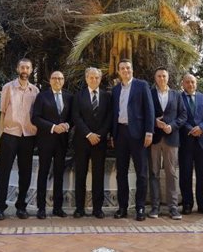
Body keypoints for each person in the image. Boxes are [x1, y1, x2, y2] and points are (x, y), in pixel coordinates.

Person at [0, 58, 39, 221]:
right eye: (22, 67)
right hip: (10, 134)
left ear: (31, 70)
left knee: (25, 173)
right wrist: (0, 136)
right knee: (4, 172)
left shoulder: (35, 91)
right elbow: (2, 112)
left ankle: (21, 206)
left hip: (28, 136)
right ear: (17, 69)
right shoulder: (8, 88)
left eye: (28, 67)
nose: (25, 70)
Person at [111, 59, 155, 221]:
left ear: (132, 69)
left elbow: (149, 110)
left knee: (141, 173)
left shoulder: (142, 85)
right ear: (119, 71)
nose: (125, 71)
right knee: (121, 173)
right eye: (122, 68)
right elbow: (114, 113)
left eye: (128, 68)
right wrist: (112, 134)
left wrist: (149, 132)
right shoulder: (115, 90)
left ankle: (140, 207)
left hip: (139, 135)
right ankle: (122, 207)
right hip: (121, 133)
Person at [31, 70, 72, 219]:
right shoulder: (42, 96)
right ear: (50, 80)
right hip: (46, 141)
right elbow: (35, 118)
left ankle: (57, 208)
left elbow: (72, 118)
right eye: (55, 78)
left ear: (64, 80)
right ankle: (41, 208)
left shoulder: (69, 97)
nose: (57, 81)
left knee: (59, 174)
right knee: (43, 173)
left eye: (60, 78)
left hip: (62, 142)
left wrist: (66, 125)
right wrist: (53, 127)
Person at [72, 67, 112, 219]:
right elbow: (76, 116)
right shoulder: (78, 96)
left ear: (100, 79)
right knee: (80, 175)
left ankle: (97, 208)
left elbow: (109, 117)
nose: (94, 80)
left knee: (98, 175)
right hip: (82, 141)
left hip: (99, 142)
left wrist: (99, 135)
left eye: (96, 78)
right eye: (91, 77)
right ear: (86, 78)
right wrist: (88, 134)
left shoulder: (107, 97)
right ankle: (79, 208)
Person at [148, 67, 187, 220]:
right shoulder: (150, 94)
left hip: (172, 139)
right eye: (159, 76)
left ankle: (173, 207)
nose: (162, 78)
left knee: (171, 173)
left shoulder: (176, 95)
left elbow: (183, 115)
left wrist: (173, 126)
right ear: (155, 78)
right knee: (154, 173)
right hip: (155, 139)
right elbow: (145, 113)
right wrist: (153, 122)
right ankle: (155, 207)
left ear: (168, 77)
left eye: (164, 76)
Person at [178, 73, 203, 215]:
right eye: (187, 82)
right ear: (183, 84)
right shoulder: (178, 98)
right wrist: (191, 129)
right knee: (185, 174)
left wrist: (201, 128)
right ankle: (187, 204)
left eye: (192, 82)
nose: (190, 84)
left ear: (196, 83)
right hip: (185, 142)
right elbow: (178, 116)